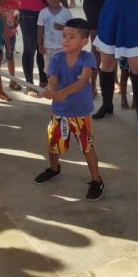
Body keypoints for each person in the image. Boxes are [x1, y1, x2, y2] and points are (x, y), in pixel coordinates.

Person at [33, 18, 104, 201]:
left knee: (87, 147)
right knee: (54, 143)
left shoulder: (87, 58)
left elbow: (82, 81)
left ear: (84, 41)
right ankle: (54, 168)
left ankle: (96, 180)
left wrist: (63, 92)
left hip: (80, 112)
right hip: (59, 111)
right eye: (64, 35)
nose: (65, 40)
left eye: (71, 37)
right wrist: (51, 89)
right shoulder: (56, 58)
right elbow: (53, 79)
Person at [37, 0, 73, 75]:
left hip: (64, 47)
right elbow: (40, 29)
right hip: (48, 47)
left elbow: (72, 29)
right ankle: (52, 87)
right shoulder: (43, 13)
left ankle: (61, 88)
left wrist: (62, 27)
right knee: (50, 70)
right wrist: (40, 44)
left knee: (63, 70)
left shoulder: (66, 12)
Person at [0, 0, 21, 91]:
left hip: (11, 34)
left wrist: (16, 22)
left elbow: (18, 15)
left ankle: (12, 80)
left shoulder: (14, 3)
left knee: (10, 57)